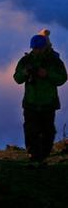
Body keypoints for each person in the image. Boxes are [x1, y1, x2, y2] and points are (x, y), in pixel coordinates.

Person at [13, 34, 67, 163]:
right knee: (31, 131)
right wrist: (24, 73)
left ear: (44, 47)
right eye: (34, 48)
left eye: (39, 48)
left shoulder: (54, 61)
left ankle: (43, 155)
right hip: (31, 103)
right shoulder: (26, 61)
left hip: (48, 103)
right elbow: (17, 78)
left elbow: (62, 78)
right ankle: (34, 156)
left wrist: (47, 74)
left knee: (48, 131)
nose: (36, 50)